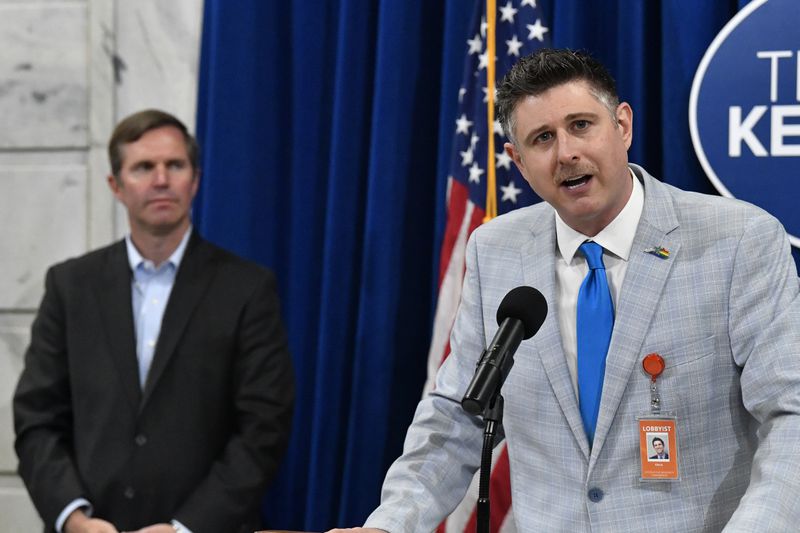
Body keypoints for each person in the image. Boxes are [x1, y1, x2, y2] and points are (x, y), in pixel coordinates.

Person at [328, 48, 800, 532]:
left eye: (581, 125)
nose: (566, 153)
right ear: (519, 161)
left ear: (622, 126)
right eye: (543, 138)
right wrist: (388, 525)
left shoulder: (738, 240)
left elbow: (792, 413)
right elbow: (457, 417)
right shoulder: (495, 252)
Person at [13, 109, 295, 533]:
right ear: (116, 185)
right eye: (144, 167)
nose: (161, 179)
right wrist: (73, 518)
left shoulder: (247, 289)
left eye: (174, 165)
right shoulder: (70, 286)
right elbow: (36, 421)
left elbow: (263, 430)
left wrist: (185, 527)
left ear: (195, 180)